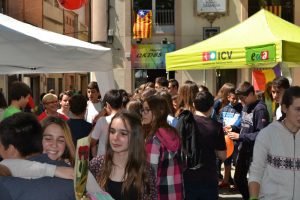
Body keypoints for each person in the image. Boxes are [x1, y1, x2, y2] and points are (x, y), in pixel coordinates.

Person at [0, 112, 76, 200]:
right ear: (37, 140)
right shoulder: (16, 168)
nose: (54, 145)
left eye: (61, 140)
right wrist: (54, 170)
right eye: (48, 139)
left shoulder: (76, 172)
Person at [89, 111, 157, 199]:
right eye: (112, 131)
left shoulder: (145, 170)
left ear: (135, 136)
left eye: (123, 133)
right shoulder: (97, 164)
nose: (115, 138)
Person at [249, 86, 300, 199]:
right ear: (284, 108)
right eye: (298, 109)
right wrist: (253, 198)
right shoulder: (267, 134)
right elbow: (256, 172)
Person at [228, 81, 269, 200]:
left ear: (251, 94)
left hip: (255, 153)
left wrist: (240, 137)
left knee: (254, 182)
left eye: (242, 98)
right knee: (238, 179)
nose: (241, 101)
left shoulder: (260, 109)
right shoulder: (245, 106)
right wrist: (234, 128)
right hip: (243, 149)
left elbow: (262, 133)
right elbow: (244, 125)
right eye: (239, 98)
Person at [184, 91, 226, 199]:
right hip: (208, 177)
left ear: (194, 104)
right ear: (212, 107)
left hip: (187, 175)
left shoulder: (186, 122)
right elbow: (222, 155)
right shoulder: (216, 126)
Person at [142, 95, 183, 200]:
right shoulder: (173, 132)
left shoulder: (154, 140)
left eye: (147, 110)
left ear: (158, 112)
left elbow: (150, 177)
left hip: (159, 194)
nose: (143, 113)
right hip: (177, 192)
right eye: (142, 109)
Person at [218, 89, 242, 189]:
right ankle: (226, 180)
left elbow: (242, 123)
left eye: (237, 99)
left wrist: (234, 127)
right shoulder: (224, 109)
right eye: (233, 98)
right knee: (227, 160)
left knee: (237, 161)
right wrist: (222, 127)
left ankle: (237, 182)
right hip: (226, 138)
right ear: (228, 98)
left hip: (236, 139)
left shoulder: (242, 109)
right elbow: (220, 120)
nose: (235, 100)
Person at [90, 89, 123, 157]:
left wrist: (99, 117)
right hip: (122, 159)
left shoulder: (102, 121)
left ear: (107, 105)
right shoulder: (128, 120)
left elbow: (92, 142)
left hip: (103, 159)